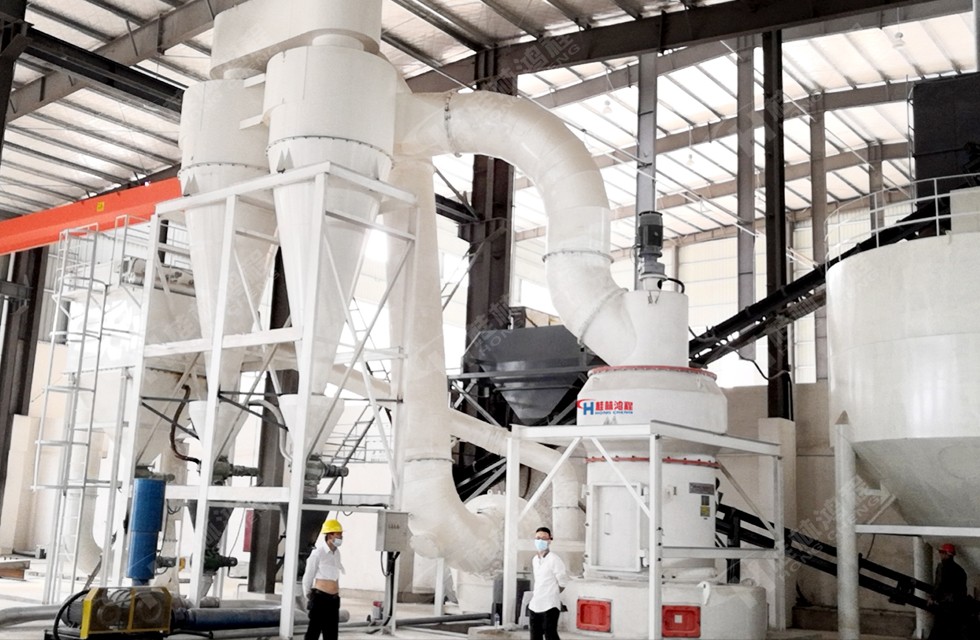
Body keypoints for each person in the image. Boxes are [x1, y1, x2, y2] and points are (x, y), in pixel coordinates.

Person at [303, 519, 345, 640]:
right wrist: (309, 595)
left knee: (331, 634)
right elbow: (308, 575)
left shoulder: (337, 553)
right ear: (330, 535)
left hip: (333, 600)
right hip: (320, 599)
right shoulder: (318, 553)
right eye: (338, 534)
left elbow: (335, 576)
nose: (341, 537)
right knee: (313, 632)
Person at [528, 526, 568, 640]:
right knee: (535, 636)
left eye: (544, 538)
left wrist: (553, 593)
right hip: (535, 603)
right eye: (538, 538)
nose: (540, 541)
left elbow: (563, 582)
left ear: (550, 540)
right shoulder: (535, 560)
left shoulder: (554, 559)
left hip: (550, 605)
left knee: (550, 634)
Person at [928, 542, 968, 640]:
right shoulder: (960, 570)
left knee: (938, 630)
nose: (940, 554)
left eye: (941, 552)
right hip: (957, 606)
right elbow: (963, 589)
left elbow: (939, 584)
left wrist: (933, 598)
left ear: (946, 554)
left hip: (944, 604)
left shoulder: (942, 567)